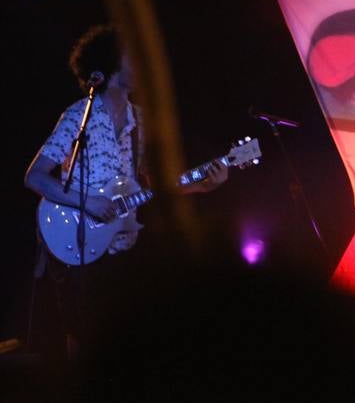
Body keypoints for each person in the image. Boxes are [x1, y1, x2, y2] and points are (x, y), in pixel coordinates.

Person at [22, 25, 228, 354]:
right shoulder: (79, 116)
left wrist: (200, 186)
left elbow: (147, 186)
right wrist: (87, 202)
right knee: (82, 337)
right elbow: (35, 177)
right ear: (111, 64)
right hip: (78, 236)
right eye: (134, 58)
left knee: (125, 337)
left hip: (124, 243)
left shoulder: (141, 121)